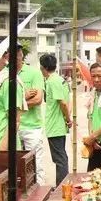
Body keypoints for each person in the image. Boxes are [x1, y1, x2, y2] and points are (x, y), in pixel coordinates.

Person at [16, 46, 48, 187]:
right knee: (15, 165)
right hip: (12, 127)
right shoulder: (5, 74)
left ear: (21, 55)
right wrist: (24, 97)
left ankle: (40, 193)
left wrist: (15, 104)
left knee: (36, 163)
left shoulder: (34, 73)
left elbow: (37, 100)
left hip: (32, 127)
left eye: (16, 54)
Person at [40, 53, 72, 186]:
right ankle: (62, 184)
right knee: (60, 157)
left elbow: (63, 103)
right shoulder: (60, 80)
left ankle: (62, 185)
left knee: (59, 158)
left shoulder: (52, 81)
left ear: (42, 67)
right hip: (58, 125)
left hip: (55, 125)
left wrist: (68, 119)